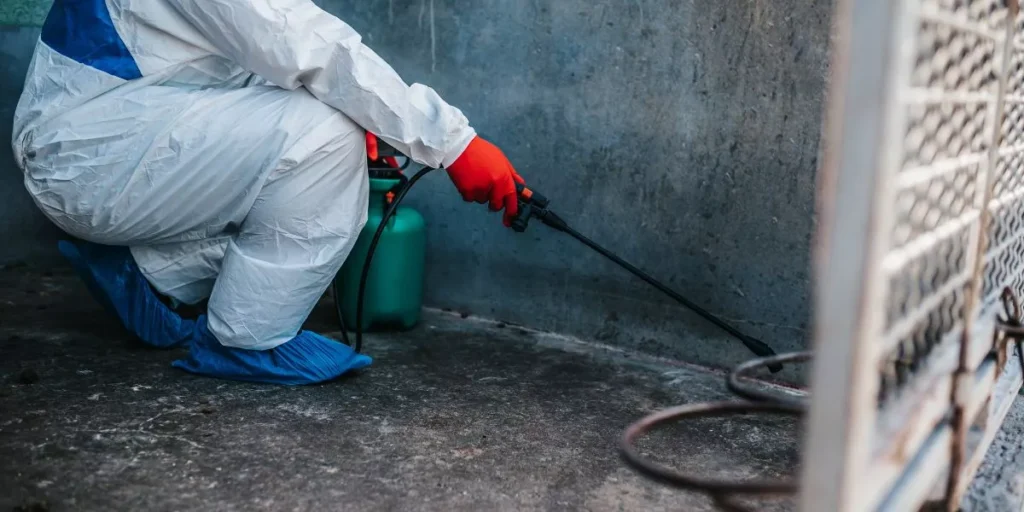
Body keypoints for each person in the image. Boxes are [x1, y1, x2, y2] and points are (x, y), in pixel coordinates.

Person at [11, 0, 524, 385]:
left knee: (322, 145)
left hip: (115, 137)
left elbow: (241, 61)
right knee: (325, 136)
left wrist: (374, 125)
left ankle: (151, 274)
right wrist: (453, 144)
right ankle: (246, 339)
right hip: (89, 155)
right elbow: (302, 43)